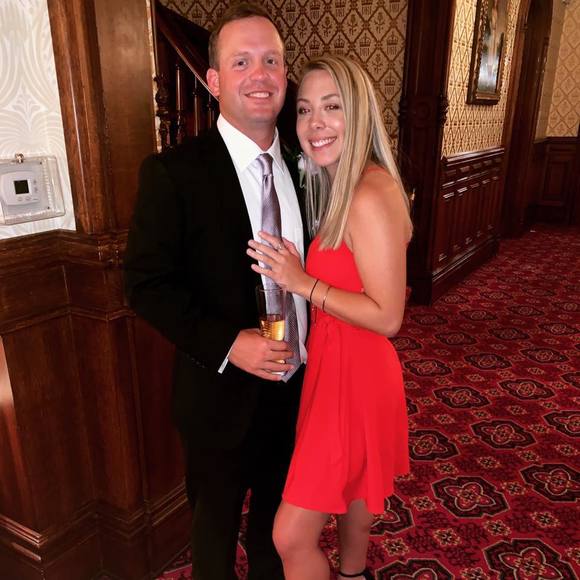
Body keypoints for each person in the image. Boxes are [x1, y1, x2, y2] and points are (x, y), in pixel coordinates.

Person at [123, 4, 308, 579]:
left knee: (278, 530)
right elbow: (146, 285)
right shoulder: (173, 173)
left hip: (299, 387)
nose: (260, 75)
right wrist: (230, 343)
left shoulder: (307, 163)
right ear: (214, 80)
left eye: (271, 60)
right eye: (241, 61)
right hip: (218, 395)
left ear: (285, 74)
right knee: (214, 537)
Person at [246, 54, 413, 580]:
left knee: (290, 536)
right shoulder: (349, 185)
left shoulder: (367, 193)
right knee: (355, 496)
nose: (315, 123)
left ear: (358, 112)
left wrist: (302, 282)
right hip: (339, 365)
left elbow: (389, 316)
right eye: (304, 109)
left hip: (355, 376)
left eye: (332, 106)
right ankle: (353, 574)